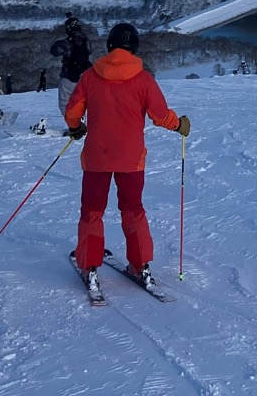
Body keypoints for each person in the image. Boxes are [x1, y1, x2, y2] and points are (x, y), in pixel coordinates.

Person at [63, 23, 189, 298]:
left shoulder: (90, 76)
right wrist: (178, 124)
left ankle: (90, 266)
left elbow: (72, 111)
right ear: (135, 47)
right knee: (133, 210)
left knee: (92, 211)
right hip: (131, 160)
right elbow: (159, 115)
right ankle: (140, 264)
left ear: (109, 45)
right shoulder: (143, 79)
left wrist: (75, 128)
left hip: (97, 157)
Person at [51, 15, 93, 126]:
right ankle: (83, 121)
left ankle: (74, 124)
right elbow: (89, 52)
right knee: (83, 101)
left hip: (69, 76)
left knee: (64, 102)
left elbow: (54, 51)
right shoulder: (86, 41)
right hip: (85, 75)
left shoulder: (67, 43)